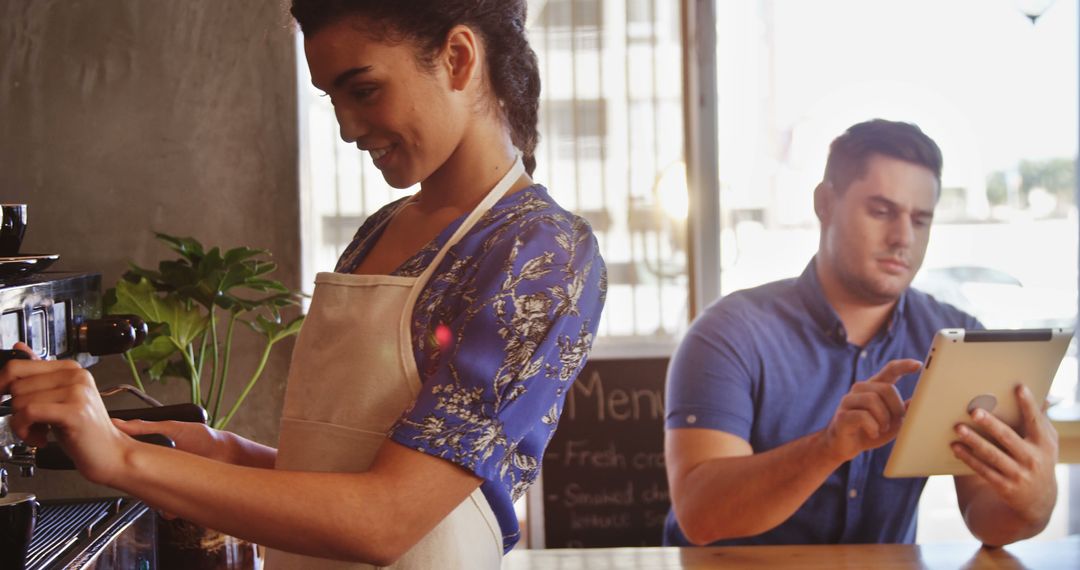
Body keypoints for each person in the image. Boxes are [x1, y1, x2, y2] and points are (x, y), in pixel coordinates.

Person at [0, 1, 606, 567]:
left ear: (458, 59)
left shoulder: (544, 253)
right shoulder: (381, 232)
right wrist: (222, 451)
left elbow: (388, 518)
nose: (347, 128)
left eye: (363, 89)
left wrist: (123, 459)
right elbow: (343, 475)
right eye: (333, 99)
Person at [663, 119, 1058, 547]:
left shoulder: (957, 339)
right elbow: (700, 515)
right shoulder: (728, 334)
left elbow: (985, 518)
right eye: (882, 211)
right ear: (824, 203)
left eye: (920, 220)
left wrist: (1033, 501)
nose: (903, 238)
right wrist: (828, 447)